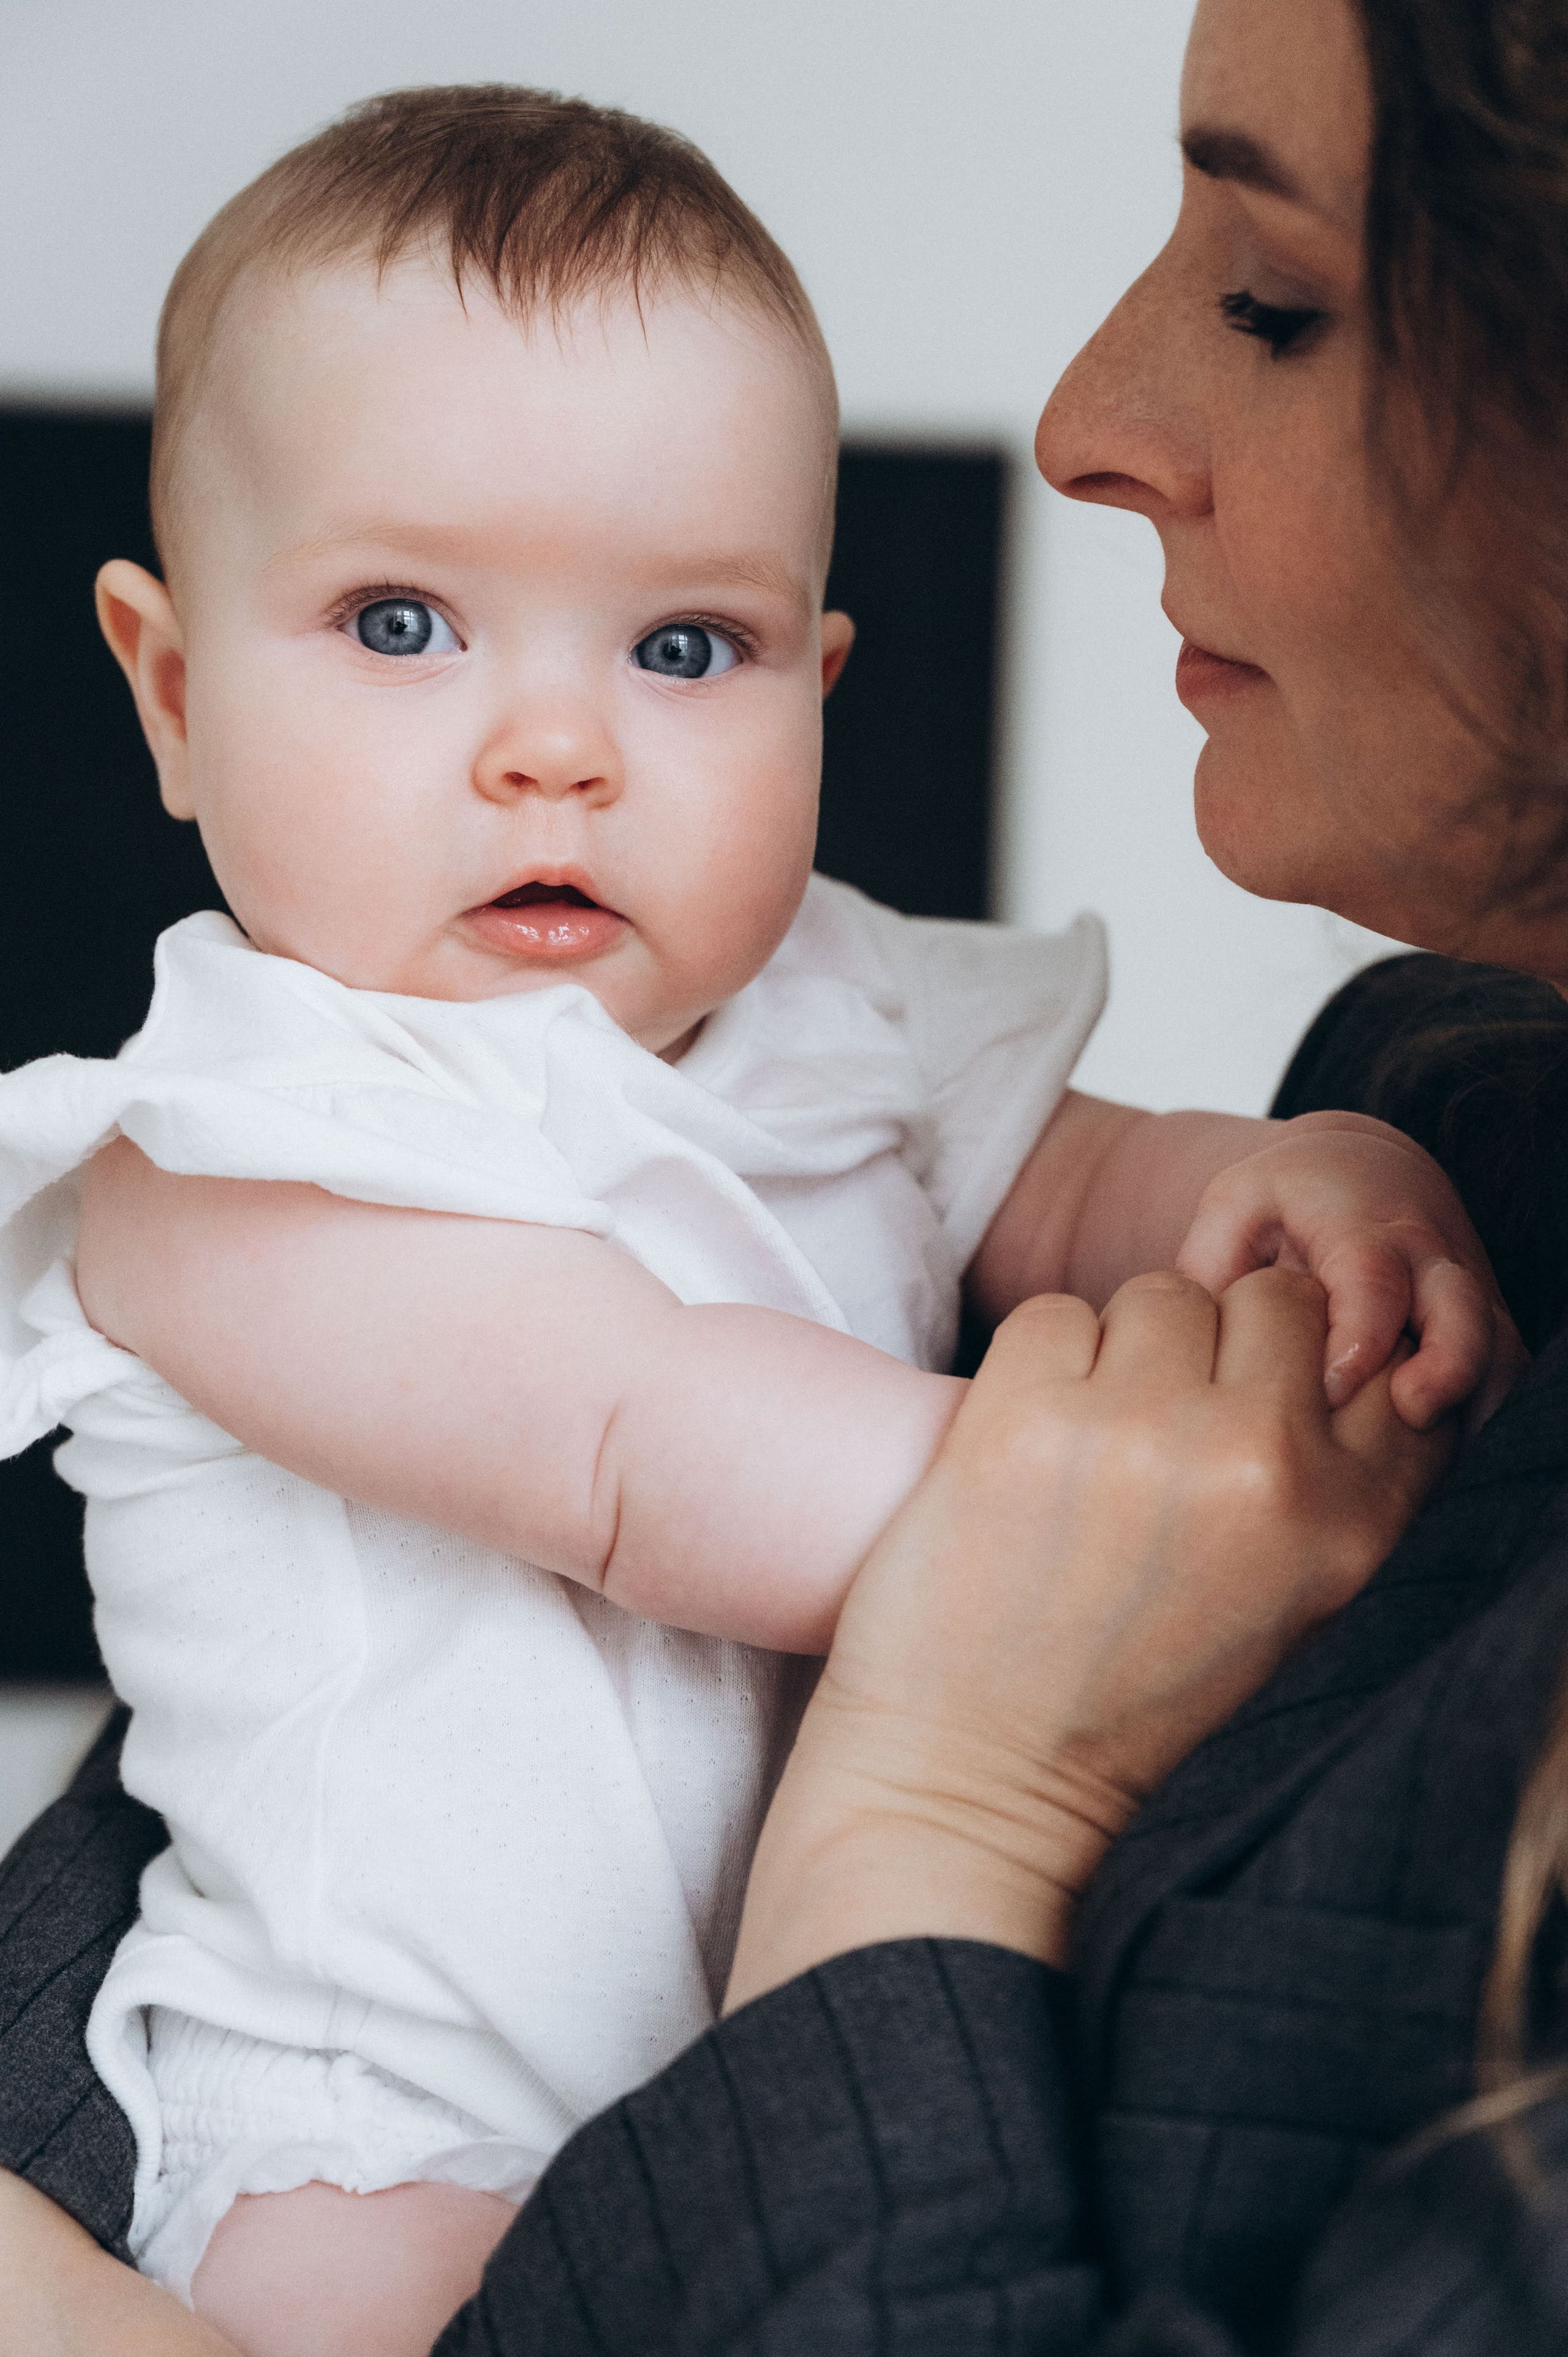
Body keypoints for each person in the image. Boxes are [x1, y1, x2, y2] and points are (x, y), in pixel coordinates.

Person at [4, 0, 1567, 2348]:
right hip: (393, 2127)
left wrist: (1288, 1176)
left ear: (824, 688)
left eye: (685, 645)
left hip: (740, 2073)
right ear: (170, 688)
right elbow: (638, 1445)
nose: (559, 748)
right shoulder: (229, 1161)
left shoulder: (840, 1005)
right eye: (401, 626)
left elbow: (1064, 1175)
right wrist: (1129, 1526)